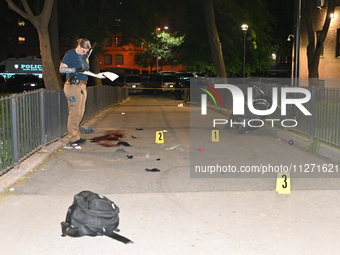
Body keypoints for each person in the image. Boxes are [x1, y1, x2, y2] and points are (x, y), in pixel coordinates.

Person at [60, 38, 95, 147]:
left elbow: (86, 68)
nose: (85, 53)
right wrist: (75, 70)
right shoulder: (70, 54)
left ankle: (76, 134)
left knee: (80, 111)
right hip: (72, 86)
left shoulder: (84, 56)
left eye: (87, 51)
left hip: (82, 85)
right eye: (84, 50)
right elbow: (62, 69)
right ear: (79, 46)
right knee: (74, 112)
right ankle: (73, 138)